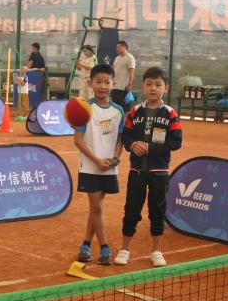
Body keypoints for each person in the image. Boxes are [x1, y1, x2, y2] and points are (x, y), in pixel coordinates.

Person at [115, 67, 183, 268]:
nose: (153, 88)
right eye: (149, 84)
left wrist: (151, 148)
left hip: (159, 173)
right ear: (143, 86)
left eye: (158, 84)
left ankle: (156, 251)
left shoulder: (170, 114)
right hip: (136, 172)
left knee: (158, 210)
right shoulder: (135, 112)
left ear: (166, 88)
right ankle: (125, 249)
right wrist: (132, 145)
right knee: (131, 209)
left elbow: (176, 141)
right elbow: (126, 136)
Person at [73, 63, 124, 265]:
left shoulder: (118, 111)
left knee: (97, 208)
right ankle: (104, 247)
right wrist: (97, 160)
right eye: (98, 81)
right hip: (90, 166)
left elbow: (119, 140)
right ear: (90, 83)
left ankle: (85, 243)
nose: (103, 86)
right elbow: (78, 140)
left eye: (107, 82)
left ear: (114, 84)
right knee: (96, 207)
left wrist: (115, 159)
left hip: (109, 168)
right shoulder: (84, 109)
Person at [111, 40, 136, 112]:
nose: (117, 49)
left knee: (125, 108)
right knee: (115, 107)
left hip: (123, 87)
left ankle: (126, 122)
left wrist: (129, 84)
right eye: (116, 47)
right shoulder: (117, 58)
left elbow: (132, 71)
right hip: (115, 87)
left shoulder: (130, 57)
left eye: (118, 47)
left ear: (124, 47)